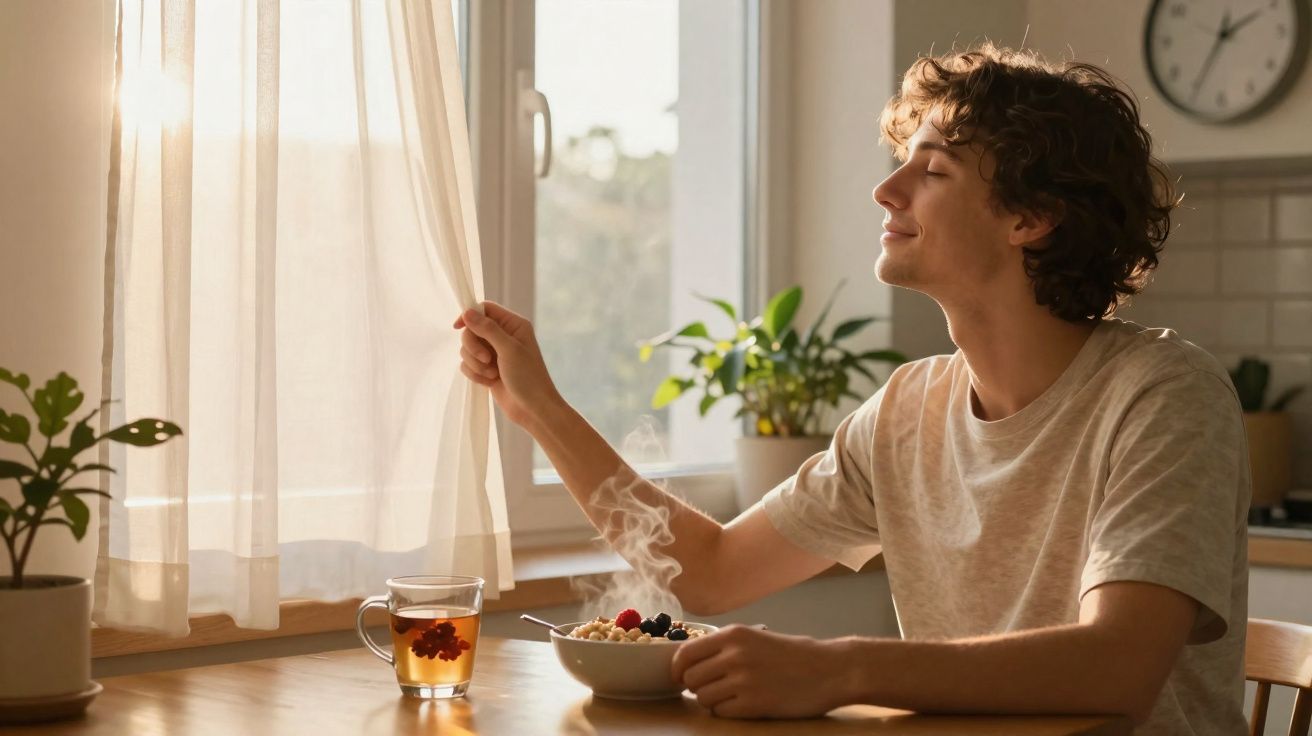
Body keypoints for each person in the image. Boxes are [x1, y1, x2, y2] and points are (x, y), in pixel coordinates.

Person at [454, 44, 1248, 733]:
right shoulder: (909, 411)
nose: (887, 190)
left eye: (932, 170)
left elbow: (1119, 667)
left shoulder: (1163, 395)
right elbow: (710, 570)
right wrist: (538, 409)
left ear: (1031, 218)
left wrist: (841, 669)